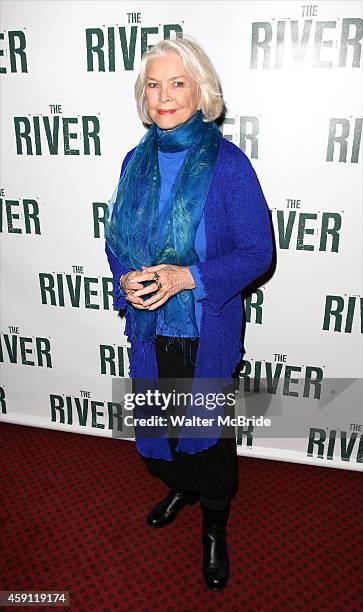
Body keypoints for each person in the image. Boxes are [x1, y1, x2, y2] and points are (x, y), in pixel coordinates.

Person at [105, 35, 273, 591]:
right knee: (162, 426)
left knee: (209, 441)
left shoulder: (228, 166)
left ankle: (214, 526)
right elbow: (118, 243)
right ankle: (179, 485)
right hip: (151, 328)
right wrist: (125, 276)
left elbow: (257, 253)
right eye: (154, 84)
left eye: (177, 83)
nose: (164, 95)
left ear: (201, 92)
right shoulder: (134, 162)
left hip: (206, 328)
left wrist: (188, 278)